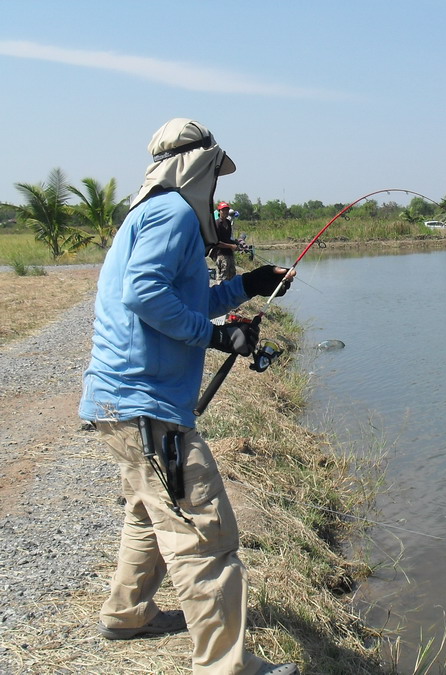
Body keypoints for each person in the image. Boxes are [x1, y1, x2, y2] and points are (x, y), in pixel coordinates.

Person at [79, 118, 297, 675]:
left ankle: (125, 615)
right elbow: (144, 293)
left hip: (122, 405)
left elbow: (184, 295)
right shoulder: (174, 212)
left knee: (148, 514)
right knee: (205, 532)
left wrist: (248, 284)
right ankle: (226, 667)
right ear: (199, 167)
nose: (217, 186)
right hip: (145, 405)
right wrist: (219, 335)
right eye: (215, 174)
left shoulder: (150, 213)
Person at [212, 200, 238, 281]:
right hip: (221, 254)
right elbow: (216, 242)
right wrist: (231, 246)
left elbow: (227, 239)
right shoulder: (217, 224)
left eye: (227, 210)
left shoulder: (228, 222)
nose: (225, 212)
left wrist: (236, 243)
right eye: (223, 210)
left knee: (232, 274)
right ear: (220, 211)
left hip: (229, 253)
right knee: (223, 277)